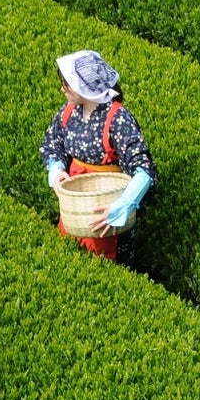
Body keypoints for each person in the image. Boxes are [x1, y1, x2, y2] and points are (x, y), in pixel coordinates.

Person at [40, 49, 156, 264]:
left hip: (107, 208)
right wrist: (57, 172)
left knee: (106, 263)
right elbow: (52, 144)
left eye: (66, 84)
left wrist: (124, 205)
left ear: (81, 84)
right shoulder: (68, 111)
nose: (62, 89)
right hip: (74, 207)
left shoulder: (118, 118)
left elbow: (144, 170)